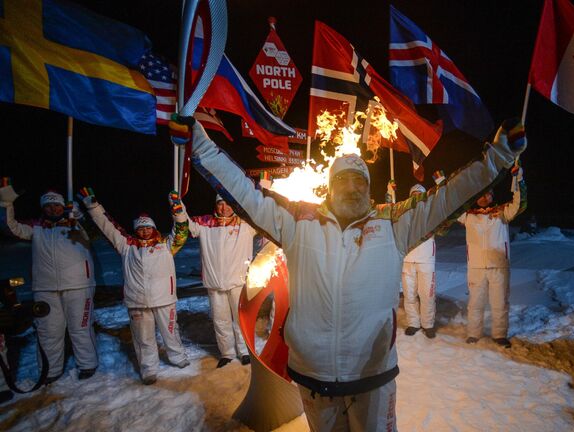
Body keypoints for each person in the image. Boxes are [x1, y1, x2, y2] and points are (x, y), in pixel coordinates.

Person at [175, 114, 526, 431]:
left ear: (368, 187)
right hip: (313, 379)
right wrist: (200, 145)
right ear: (330, 186)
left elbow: (449, 197)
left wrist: (497, 157)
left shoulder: (393, 223)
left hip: (372, 378)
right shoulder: (298, 222)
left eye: (359, 181)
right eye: (343, 180)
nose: (352, 187)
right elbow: (245, 194)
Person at [80, 188, 190, 385]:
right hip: (137, 301)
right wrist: (93, 206)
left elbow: (182, 230)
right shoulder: (127, 246)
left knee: (170, 332)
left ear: (154, 228)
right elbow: (108, 227)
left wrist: (178, 210)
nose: (144, 230)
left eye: (148, 227)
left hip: (164, 299)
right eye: (141, 228)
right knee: (143, 338)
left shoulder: (167, 245)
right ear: (136, 230)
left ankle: (178, 358)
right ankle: (148, 369)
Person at [0, 188, 98, 382]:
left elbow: (95, 232)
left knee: (80, 327)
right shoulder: (36, 228)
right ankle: (50, 371)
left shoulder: (76, 224)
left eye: (56, 205)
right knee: (48, 331)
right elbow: (10, 227)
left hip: (78, 285)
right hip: (45, 288)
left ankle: (87, 364)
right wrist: (6, 203)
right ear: (43, 209)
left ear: (63, 206)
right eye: (48, 206)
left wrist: (79, 215)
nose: (53, 209)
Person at [187, 195, 258, 368]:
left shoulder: (246, 224)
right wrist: (177, 206)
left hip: (238, 282)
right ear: (216, 205)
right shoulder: (205, 224)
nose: (224, 208)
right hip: (214, 282)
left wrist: (265, 189)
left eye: (228, 204)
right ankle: (227, 353)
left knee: (241, 319)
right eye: (220, 204)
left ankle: (244, 351)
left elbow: (261, 214)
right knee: (221, 320)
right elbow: (185, 223)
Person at [457, 168, 526, 348]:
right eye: (481, 194)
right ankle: (474, 333)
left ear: (492, 195)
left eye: (488, 193)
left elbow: (520, 203)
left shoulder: (502, 213)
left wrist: (517, 178)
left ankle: (499, 334)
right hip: (476, 268)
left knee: (500, 303)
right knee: (475, 303)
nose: (484, 197)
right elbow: (452, 206)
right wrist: (444, 183)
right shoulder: (468, 216)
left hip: (499, 266)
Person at [401, 184, 437, 339]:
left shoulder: (431, 213)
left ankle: (428, 324)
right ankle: (413, 323)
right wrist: (390, 193)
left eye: (419, 194)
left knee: (427, 295)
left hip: (426, 260)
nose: (416, 197)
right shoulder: (404, 214)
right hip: (407, 260)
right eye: (413, 194)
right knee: (409, 295)